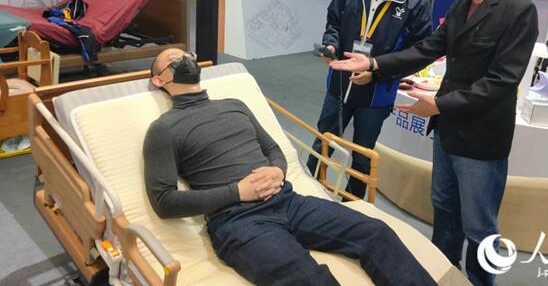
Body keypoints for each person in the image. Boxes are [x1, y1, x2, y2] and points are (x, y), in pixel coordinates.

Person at [330, 0, 538, 286]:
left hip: (481, 138)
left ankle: (479, 281)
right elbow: (428, 48)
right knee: (444, 209)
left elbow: (501, 82)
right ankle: (443, 273)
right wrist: (375, 64)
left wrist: (440, 105)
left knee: (479, 224)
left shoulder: (518, 9)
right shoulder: (462, 5)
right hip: (447, 131)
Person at [143, 48, 438, 286]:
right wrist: (237, 192)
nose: (184, 58)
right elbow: (164, 201)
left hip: (288, 201)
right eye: (173, 59)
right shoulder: (164, 129)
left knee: (375, 232)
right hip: (238, 221)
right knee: (308, 278)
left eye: (187, 55)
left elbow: (273, 149)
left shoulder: (234, 105)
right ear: (159, 80)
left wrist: (278, 170)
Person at [306, 0, 433, 199]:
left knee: (362, 156)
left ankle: (352, 206)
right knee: (323, 141)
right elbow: (334, 22)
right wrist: (331, 45)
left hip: (377, 93)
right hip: (340, 83)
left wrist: (377, 71)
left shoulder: (415, 3)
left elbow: (419, 52)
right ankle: (307, 194)